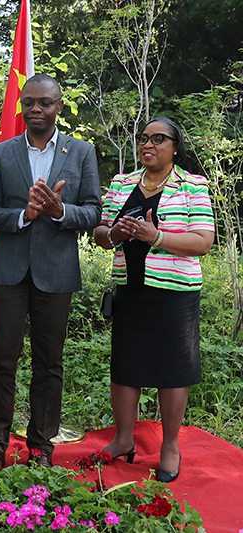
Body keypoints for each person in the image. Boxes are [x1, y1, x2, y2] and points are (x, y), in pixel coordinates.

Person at [0, 74, 101, 469]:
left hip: (56, 272)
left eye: (44, 103)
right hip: (8, 272)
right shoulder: (3, 152)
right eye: (29, 102)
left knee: (50, 363)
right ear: (22, 107)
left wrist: (58, 211)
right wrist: (24, 215)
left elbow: (95, 211)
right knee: (1, 361)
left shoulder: (81, 152)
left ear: (58, 107)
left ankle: (41, 447)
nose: (36, 109)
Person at [92, 117, 214, 482]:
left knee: (172, 370)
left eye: (158, 139)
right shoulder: (122, 183)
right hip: (129, 290)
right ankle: (124, 439)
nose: (149, 144)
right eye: (144, 138)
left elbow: (203, 241)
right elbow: (99, 231)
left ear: (175, 146)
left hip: (174, 293)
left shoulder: (192, 185)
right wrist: (114, 232)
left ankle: (170, 445)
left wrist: (154, 236)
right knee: (125, 366)